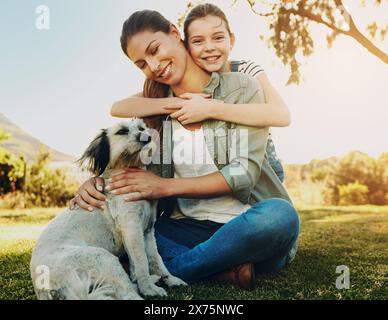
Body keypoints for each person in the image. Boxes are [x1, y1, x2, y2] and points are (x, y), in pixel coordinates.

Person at [70, 9, 299, 290]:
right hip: (186, 228)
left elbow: (241, 176)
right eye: (142, 64)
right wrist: (93, 183)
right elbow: (129, 167)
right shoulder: (152, 114)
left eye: (155, 50)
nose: (154, 65)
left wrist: (163, 186)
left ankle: (169, 270)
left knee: (280, 216)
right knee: (127, 234)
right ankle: (219, 269)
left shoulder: (242, 89)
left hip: (246, 223)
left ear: (175, 34)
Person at [111, 3, 289, 182]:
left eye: (218, 38)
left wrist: (210, 109)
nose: (209, 48)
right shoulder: (170, 85)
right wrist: (180, 104)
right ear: (189, 43)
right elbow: (118, 107)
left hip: (263, 167)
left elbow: (281, 115)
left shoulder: (243, 72)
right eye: (198, 41)